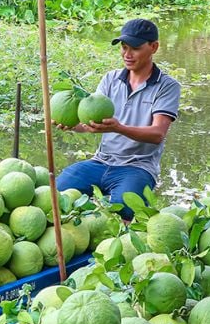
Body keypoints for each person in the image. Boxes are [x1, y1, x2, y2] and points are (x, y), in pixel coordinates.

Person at [55, 18, 181, 219]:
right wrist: (71, 125)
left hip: (137, 167)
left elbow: (158, 134)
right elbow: (91, 125)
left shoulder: (167, 86)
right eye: (124, 47)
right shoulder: (110, 79)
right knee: (56, 195)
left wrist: (119, 128)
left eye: (135, 48)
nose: (127, 54)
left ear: (154, 47)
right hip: (100, 162)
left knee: (124, 210)